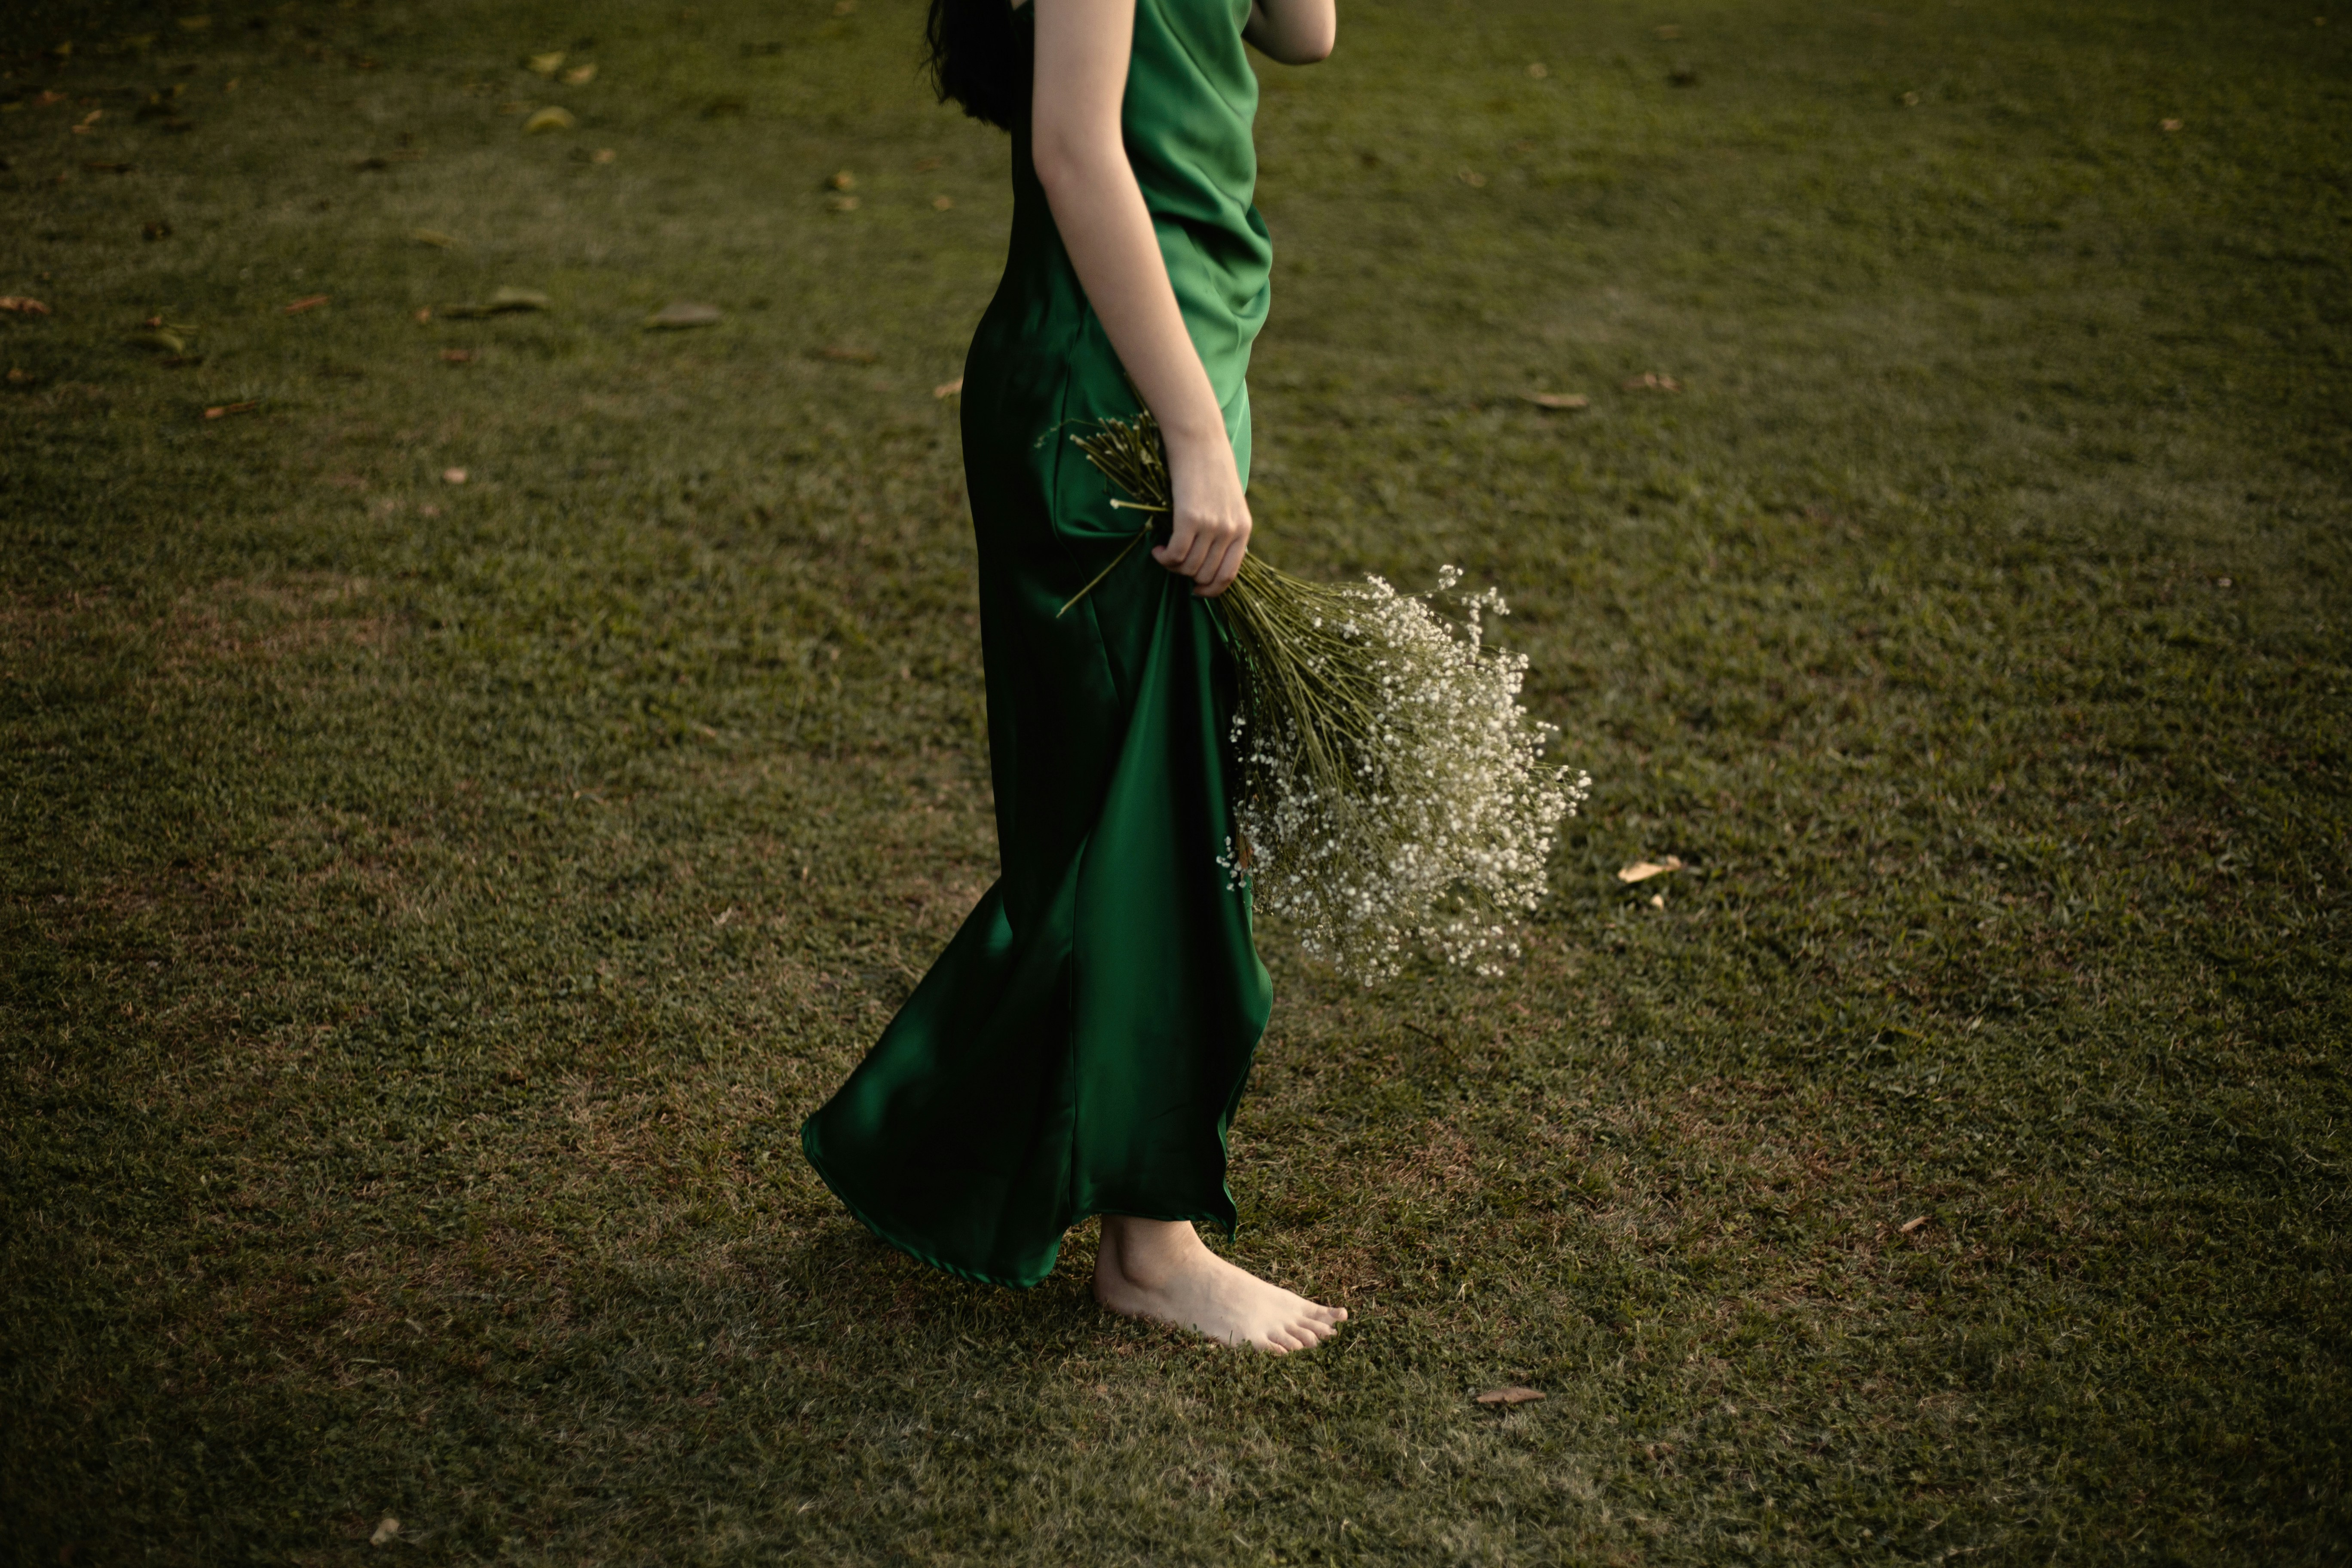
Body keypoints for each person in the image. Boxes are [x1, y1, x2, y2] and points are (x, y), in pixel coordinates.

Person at [801, 0, 1344, 1354]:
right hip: (1114, 402)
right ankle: (1148, 1250)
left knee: (1155, 809)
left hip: (1177, 362)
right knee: (1138, 826)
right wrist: (1193, 435)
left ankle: (939, 1142)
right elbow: (1072, 147)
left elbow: (1305, 33)